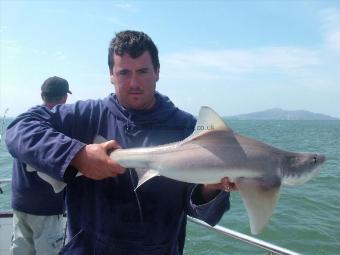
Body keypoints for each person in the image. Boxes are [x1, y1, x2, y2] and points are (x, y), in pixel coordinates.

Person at [6, 31, 236, 255]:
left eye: (143, 71)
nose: (134, 82)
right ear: (111, 75)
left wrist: (211, 188)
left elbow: (204, 213)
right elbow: (19, 128)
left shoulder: (188, 129)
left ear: (157, 71)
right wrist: (77, 154)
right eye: (124, 72)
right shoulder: (85, 116)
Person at [10, 76, 72, 255]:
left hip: (20, 205)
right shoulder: (57, 123)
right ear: (64, 98)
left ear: (42, 95)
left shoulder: (26, 119)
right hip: (46, 208)